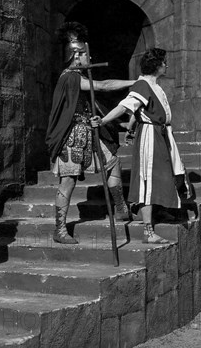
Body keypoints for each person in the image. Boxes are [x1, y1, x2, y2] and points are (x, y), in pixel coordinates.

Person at [45, 22, 134, 244]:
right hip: (72, 138)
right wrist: (136, 82)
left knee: (113, 162)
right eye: (84, 54)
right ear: (75, 55)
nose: (89, 59)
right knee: (68, 182)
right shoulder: (70, 77)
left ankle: (121, 208)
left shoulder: (75, 77)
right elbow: (103, 86)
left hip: (86, 134)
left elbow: (85, 104)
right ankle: (60, 230)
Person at [91, 48, 190, 244]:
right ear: (157, 65)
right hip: (150, 136)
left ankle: (159, 212)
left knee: (163, 174)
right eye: (164, 62)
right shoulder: (142, 85)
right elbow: (125, 106)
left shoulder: (155, 86)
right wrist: (103, 121)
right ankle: (148, 231)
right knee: (147, 178)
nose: (166, 65)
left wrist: (130, 126)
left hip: (161, 135)